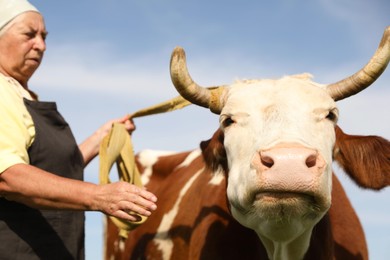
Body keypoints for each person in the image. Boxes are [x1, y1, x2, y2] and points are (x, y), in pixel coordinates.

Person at [0, 0, 157, 259]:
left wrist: (101, 137)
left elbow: (53, 169)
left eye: (43, 36)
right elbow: (7, 176)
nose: (41, 45)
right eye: (29, 35)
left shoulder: (25, 96)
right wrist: (99, 195)